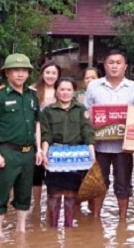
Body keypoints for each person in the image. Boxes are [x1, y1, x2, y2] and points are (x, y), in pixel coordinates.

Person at [0, 53, 43, 236]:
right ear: (7, 73)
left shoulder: (32, 95)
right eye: (15, 70)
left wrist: (39, 149)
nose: (20, 74)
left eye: (24, 71)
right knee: (1, 195)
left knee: (24, 195)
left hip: (28, 153)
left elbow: (37, 123)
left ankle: (21, 230)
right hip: (6, 151)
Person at [83, 49, 134, 221]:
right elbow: (85, 113)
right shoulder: (94, 87)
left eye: (118, 63)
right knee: (98, 183)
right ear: (104, 65)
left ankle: (123, 219)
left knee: (124, 183)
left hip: (124, 147)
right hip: (99, 146)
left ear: (125, 66)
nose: (114, 66)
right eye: (111, 62)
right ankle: (95, 217)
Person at [40, 77, 95, 228]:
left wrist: (92, 155)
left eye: (69, 90)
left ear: (74, 92)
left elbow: (87, 133)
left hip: (76, 157)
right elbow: (46, 135)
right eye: (62, 89)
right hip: (55, 156)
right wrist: (44, 153)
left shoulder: (81, 110)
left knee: (72, 194)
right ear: (56, 91)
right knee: (53, 193)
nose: (65, 93)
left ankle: (69, 227)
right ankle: (53, 227)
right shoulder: (48, 111)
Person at [31, 61, 61, 216]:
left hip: (56, 138)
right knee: (36, 174)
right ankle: (36, 207)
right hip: (35, 136)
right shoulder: (32, 91)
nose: (50, 76)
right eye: (48, 72)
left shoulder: (61, 91)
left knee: (54, 172)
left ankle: (52, 208)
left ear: (58, 75)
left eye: (54, 73)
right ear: (42, 73)